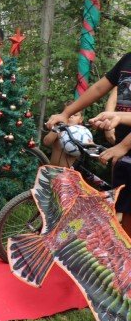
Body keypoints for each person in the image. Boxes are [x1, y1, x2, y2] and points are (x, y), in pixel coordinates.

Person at [46, 52, 131, 235]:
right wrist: (66, 113)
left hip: (124, 146)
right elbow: (99, 88)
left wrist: (123, 145)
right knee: (122, 206)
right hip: (122, 149)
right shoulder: (127, 59)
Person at [42, 103, 91, 168]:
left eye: (75, 115)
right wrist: (57, 127)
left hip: (69, 174)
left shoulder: (82, 134)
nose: (71, 116)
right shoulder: (59, 129)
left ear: (81, 119)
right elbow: (46, 142)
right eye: (69, 114)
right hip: (53, 170)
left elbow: (90, 150)